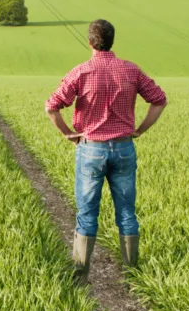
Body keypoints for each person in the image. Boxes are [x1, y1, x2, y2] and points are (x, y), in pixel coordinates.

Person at [45, 18, 167, 282]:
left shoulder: (81, 72)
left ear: (89, 42)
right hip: (124, 148)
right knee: (126, 211)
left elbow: (51, 106)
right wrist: (140, 129)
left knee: (87, 212)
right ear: (112, 41)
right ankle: (132, 273)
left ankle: (80, 274)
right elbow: (159, 100)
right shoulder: (131, 71)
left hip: (91, 149)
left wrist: (68, 133)